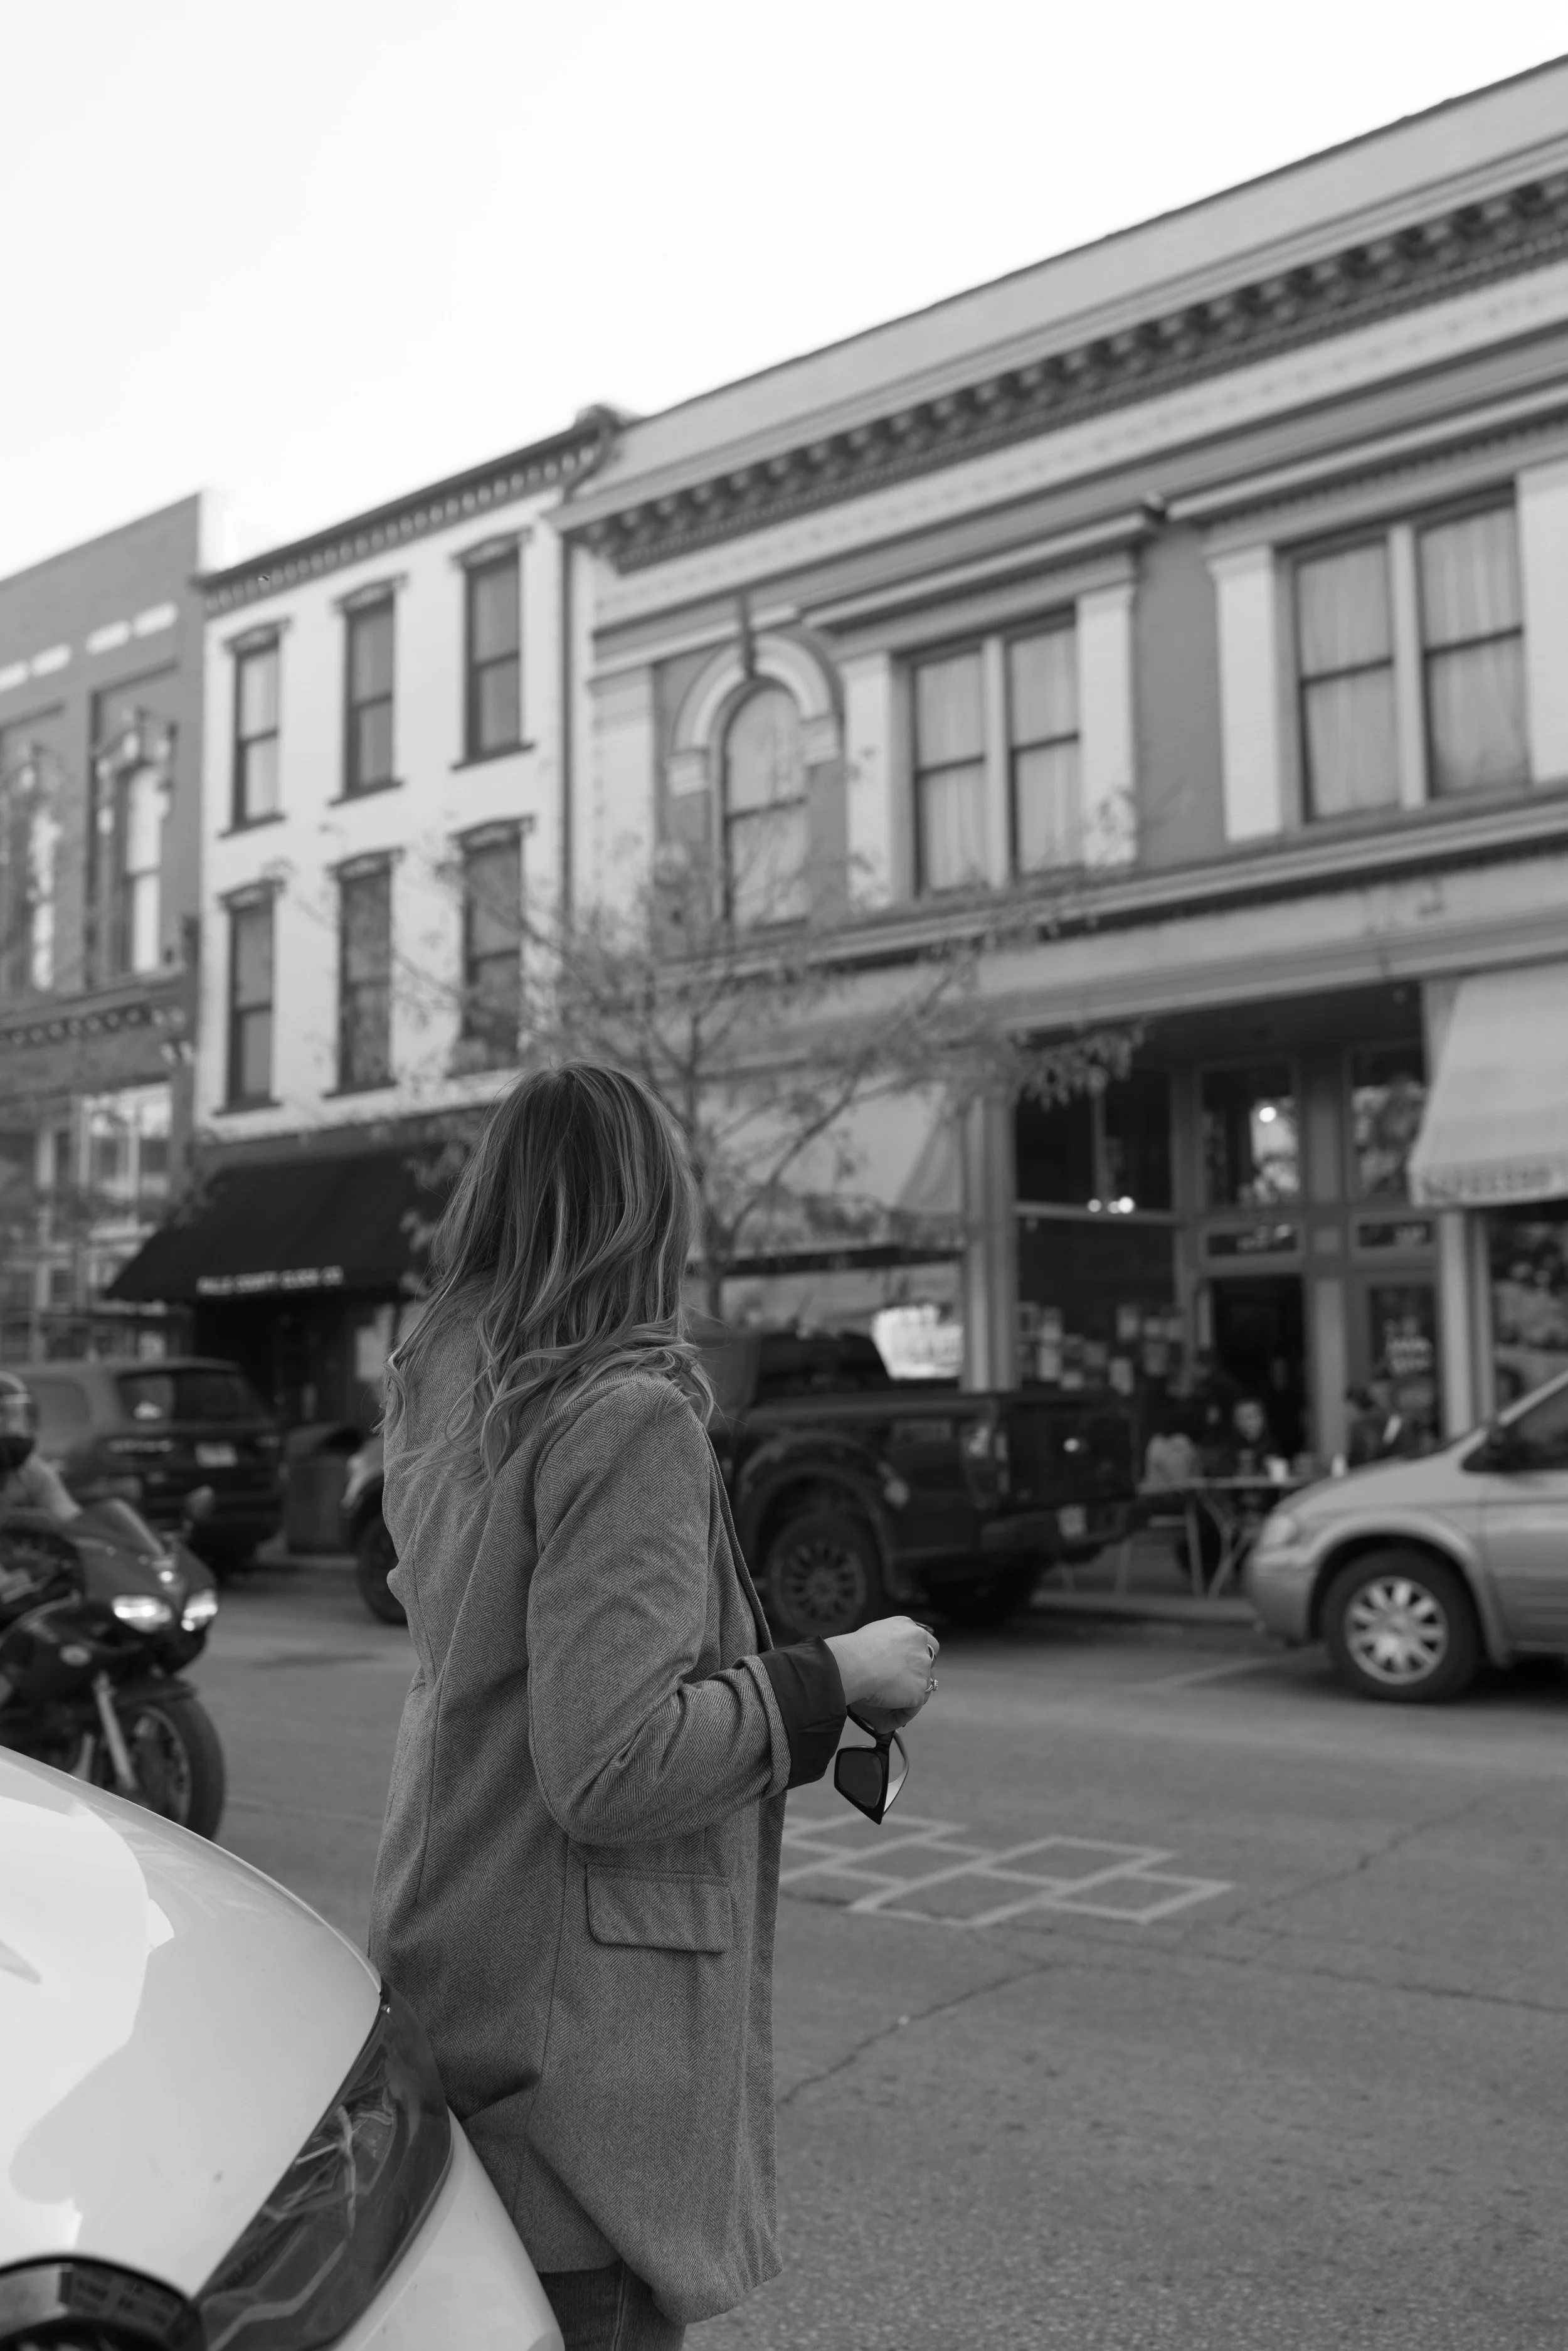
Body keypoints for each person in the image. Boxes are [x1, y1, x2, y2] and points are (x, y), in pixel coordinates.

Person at [368, 1065, 938, 2351]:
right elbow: (612, 1763)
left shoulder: (442, 1391)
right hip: (581, 2059)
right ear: (651, 1214)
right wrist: (841, 1672)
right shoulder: (621, 1420)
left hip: (457, 1950)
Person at [0, 1372, 80, 1523]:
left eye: (17, 1415)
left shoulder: (29, 1469)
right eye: (3, 1414)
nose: (12, 1426)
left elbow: (68, 1516)